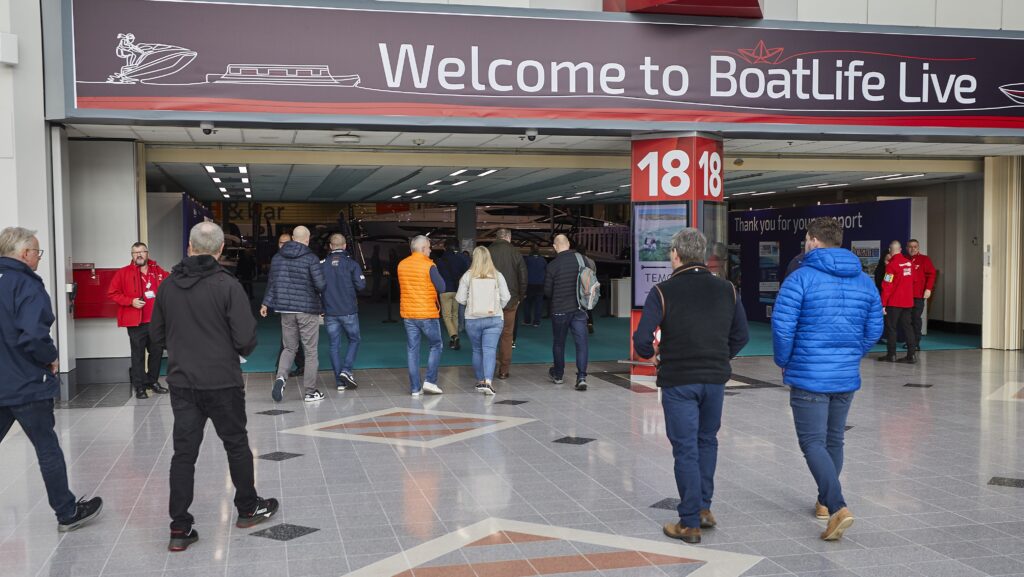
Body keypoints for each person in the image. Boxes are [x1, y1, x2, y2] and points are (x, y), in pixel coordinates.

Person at [151, 222, 279, 552]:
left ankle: (179, 528)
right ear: (220, 250)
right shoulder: (228, 286)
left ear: (190, 247)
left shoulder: (167, 287)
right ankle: (248, 508)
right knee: (236, 444)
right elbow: (246, 341)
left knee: (183, 454)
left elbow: (156, 336)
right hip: (223, 381)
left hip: (182, 382)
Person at [632, 228, 749, 545]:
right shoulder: (727, 289)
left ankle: (688, 522)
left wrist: (652, 354)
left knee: (685, 449)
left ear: (675, 254)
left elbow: (642, 341)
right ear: (703, 254)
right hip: (715, 379)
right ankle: (704, 509)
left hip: (679, 381)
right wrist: (720, 356)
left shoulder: (662, 292)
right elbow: (742, 336)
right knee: (707, 441)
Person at [772, 217, 883, 542]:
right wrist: (852, 352)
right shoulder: (864, 281)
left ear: (813, 241)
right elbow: (874, 329)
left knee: (812, 442)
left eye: (806, 240)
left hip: (809, 375)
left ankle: (836, 506)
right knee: (834, 439)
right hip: (845, 375)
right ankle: (823, 502)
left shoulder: (800, 278)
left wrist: (784, 360)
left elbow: (782, 327)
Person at [0, 227, 104, 533]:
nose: (38, 258)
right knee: (47, 448)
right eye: (37, 252)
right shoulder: (27, 285)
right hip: (27, 383)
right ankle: (67, 512)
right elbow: (33, 335)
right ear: (23, 254)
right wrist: (50, 357)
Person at [260, 226, 327, 403]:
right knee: (310, 351)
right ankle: (310, 392)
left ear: (292, 238)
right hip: (307, 310)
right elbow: (320, 285)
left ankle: (281, 378)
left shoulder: (277, 257)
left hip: (285, 309)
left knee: (289, 348)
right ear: (307, 238)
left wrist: (266, 302)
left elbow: (272, 283)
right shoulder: (311, 258)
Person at [107, 241, 170, 399]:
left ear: (147, 253)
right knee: (138, 355)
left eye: (142, 251)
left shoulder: (157, 270)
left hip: (156, 321)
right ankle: (140, 386)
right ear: (132, 256)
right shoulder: (123, 273)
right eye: (136, 253)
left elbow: (171, 284)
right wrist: (131, 301)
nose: (139, 255)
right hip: (136, 322)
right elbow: (112, 293)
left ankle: (153, 382)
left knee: (156, 353)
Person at [456, 247, 511, 396]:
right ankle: (488, 381)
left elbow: (460, 299)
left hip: (473, 319)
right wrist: (498, 307)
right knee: (490, 350)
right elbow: (506, 296)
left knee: (477, 350)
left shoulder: (467, 276)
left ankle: (480, 380)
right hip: (494, 318)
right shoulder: (497, 275)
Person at [398, 235, 445, 396]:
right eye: (429, 247)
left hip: (408, 314)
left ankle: (415, 388)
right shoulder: (429, 265)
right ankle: (430, 381)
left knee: (412, 350)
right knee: (436, 345)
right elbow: (442, 286)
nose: (431, 250)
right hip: (427, 314)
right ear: (423, 249)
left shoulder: (401, 265)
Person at [545, 234, 593, 391]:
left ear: (555, 246)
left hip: (559, 310)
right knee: (582, 344)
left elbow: (547, 291)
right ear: (568, 244)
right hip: (579, 309)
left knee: (559, 343)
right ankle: (581, 377)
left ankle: (558, 375)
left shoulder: (552, 265)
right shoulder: (582, 260)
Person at [321, 234, 365, 391]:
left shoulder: (322, 264)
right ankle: (346, 370)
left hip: (330, 311)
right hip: (348, 310)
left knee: (334, 345)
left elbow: (316, 287)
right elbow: (361, 286)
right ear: (345, 246)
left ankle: (339, 382)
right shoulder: (352, 264)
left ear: (331, 246)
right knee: (354, 339)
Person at [487, 229, 527, 379]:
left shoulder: (488, 252)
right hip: (511, 300)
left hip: (490, 301)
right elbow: (523, 276)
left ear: (496, 238)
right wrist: (520, 296)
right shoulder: (515, 252)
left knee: (489, 334)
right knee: (507, 334)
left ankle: (488, 368)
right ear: (509, 238)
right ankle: (504, 369)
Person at [879, 240, 918, 363]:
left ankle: (891, 354)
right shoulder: (909, 263)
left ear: (890, 251)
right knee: (908, 327)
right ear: (900, 250)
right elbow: (914, 280)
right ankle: (911, 355)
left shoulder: (891, 265)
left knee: (891, 328)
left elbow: (887, 285)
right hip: (908, 302)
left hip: (894, 302)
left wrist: (883, 303)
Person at [273, 233, 304, 378]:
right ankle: (301, 364)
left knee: (289, 339)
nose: (283, 246)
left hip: (298, 304)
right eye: (281, 243)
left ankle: (281, 368)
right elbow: (273, 282)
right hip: (285, 305)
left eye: (286, 243)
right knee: (293, 338)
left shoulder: (299, 257)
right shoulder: (277, 259)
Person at [435, 238, 470, 350]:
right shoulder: (463, 258)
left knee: (446, 316)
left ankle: (454, 336)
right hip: (458, 290)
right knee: (455, 315)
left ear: (445, 247)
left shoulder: (440, 259)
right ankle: (454, 339)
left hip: (445, 290)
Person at [906, 239, 937, 345]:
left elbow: (932, 275)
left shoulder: (924, 259)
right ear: (907, 248)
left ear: (918, 248)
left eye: (915, 247)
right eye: (910, 246)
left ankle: (915, 342)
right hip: (905, 296)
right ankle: (909, 341)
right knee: (906, 320)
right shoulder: (904, 259)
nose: (912, 249)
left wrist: (928, 289)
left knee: (915, 318)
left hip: (918, 295)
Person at [522, 244, 546, 327]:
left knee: (527, 304)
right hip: (540, 285)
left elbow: (523, 273)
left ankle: (527, 321)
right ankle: (536, 322)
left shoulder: (527, 260)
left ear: (530, 250)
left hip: (529, 285)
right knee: (538, 304)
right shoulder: (543, 260)